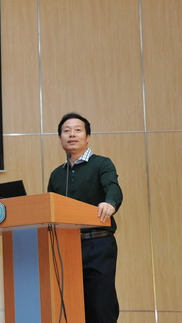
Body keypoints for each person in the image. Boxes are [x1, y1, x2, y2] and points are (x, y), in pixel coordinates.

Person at [47, 113, 123, 323]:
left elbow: (113, 187)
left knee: (100, 307)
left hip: (97, 245)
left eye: (78, 130)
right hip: (66, 247)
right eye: (66, 131)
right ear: (60, 138)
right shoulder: (56, 175)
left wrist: (110, 203)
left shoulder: (102, 164)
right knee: (71, 308)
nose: (72, 134)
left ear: (88, 136)